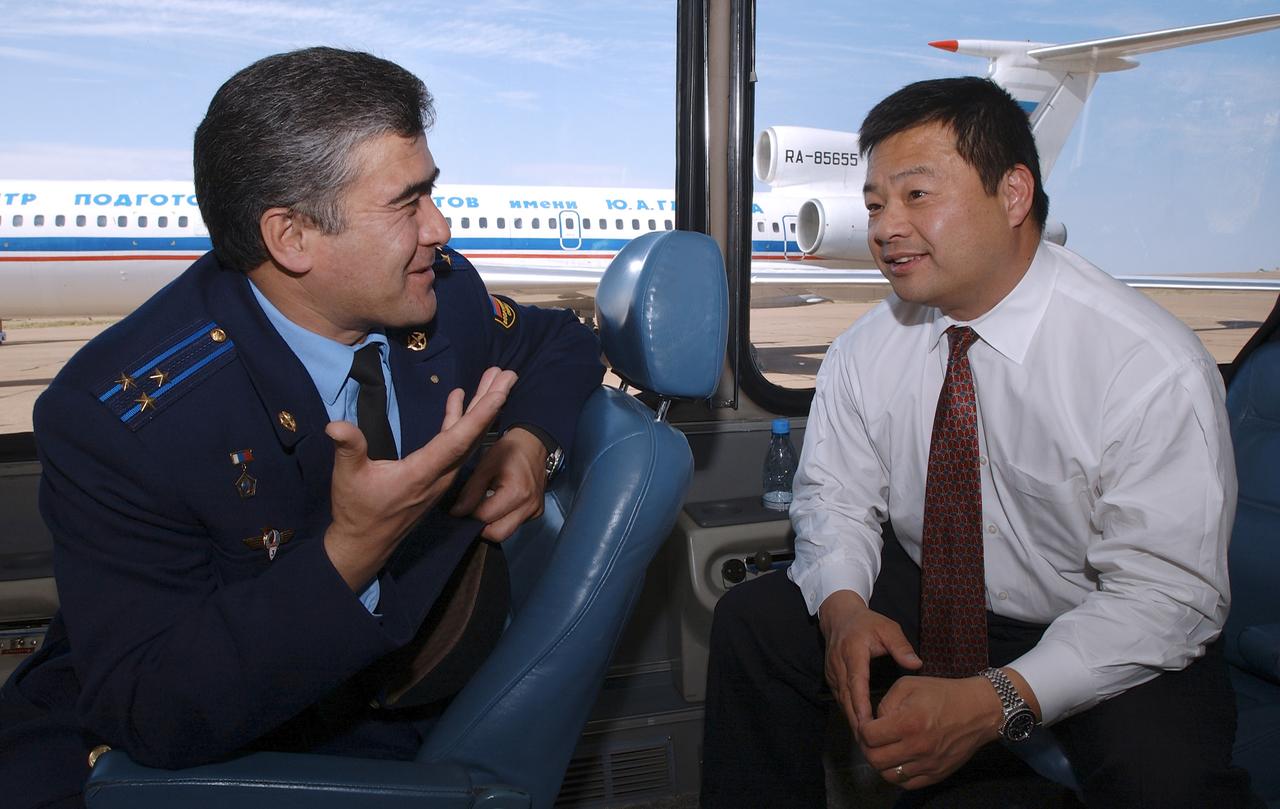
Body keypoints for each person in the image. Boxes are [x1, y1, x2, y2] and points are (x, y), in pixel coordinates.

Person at [0, 47, 604, 809]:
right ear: (290, 238)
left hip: (383, 701)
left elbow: (559, 342)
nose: (441, 228)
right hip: (198, 711)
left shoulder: (444, 299)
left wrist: (530, 442)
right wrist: (353, 549)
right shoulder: (116, 420)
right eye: (407, 202)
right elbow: (151, 710)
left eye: (434, 193)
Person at [701, 77, 1257, 807]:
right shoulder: (866, 351)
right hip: (939, 594)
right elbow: (833, 497)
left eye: (916, 196)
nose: (884, 227)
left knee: (1170, 781)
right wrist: (842, 610)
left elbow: (1166, 595)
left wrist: (994, 698)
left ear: (1014, 194)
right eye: (874, 204)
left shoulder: (1145, 364)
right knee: (757, 622)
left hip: (1101, 618)